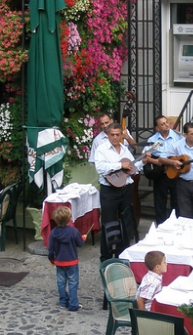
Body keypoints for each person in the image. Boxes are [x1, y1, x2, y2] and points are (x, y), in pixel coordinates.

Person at [94, 124, 137, 261]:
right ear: (108, 135)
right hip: (109, 191)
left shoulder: (125, 150)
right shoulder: (102, 149)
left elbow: (133, 167)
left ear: (121, 135)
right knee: (108, 223)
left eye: (117, 134)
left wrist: (143, 161)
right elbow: (100, 168)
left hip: (125, 189)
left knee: (125, 222)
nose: (115, 137)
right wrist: (120, 165)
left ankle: (123, 254)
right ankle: (106, 257)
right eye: (112, 134)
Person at [141, 115, 183, 224]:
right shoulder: (152, 140)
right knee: (160, 203)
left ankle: (175, 225)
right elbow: (146, 158)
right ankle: (160, 227)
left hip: (175, 173)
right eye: (162, 124)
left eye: (166, 122)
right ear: (157, 128)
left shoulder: (178, 137)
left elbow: (184, 153)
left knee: (176, 202)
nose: (166, 125)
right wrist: (159, 162)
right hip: (160, 174)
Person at [48, 206, 86, 311]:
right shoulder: (73, 231)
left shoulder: (53, 233)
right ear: (69, 219)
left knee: (61, 282)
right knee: (73, 283)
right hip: (72, 262)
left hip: (60, 262)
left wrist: (51, 259)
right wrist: (83, 238)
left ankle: (63, 302)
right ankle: (73, 304)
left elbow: (50, 249)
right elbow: (80, 243)